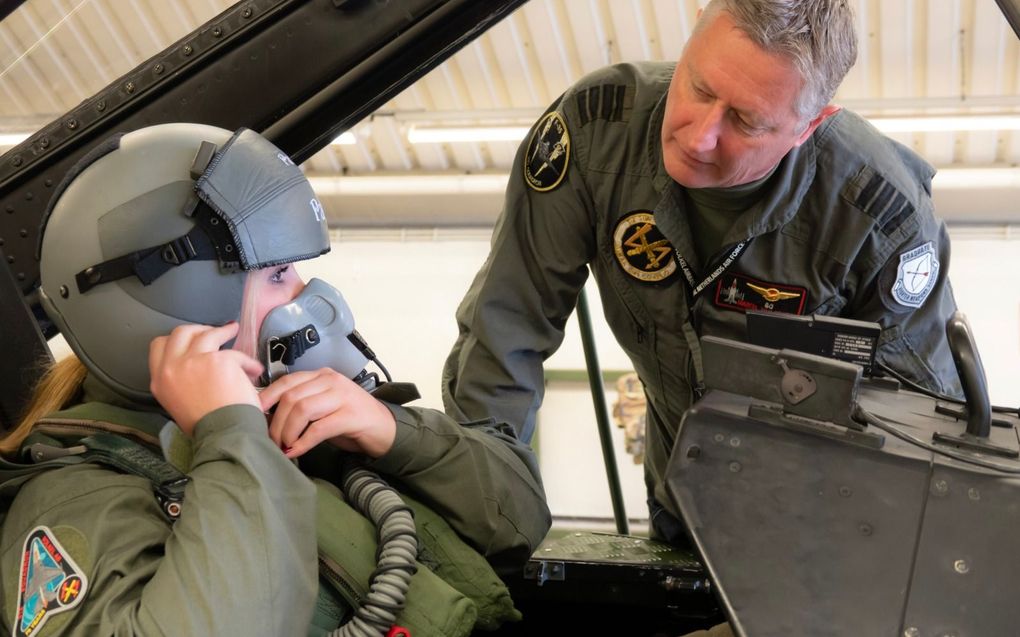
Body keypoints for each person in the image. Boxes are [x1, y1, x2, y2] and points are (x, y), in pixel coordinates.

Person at [442, 0, 962, 550]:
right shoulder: (597, 133)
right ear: (690, 43)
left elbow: (925, 431)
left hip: (820, 537)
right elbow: (503, 340)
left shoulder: (880, 219)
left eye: (745, 120)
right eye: (698, 88)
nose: (698, 137)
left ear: (810, 126)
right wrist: (486, 510)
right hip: (677, 511)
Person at [0, 123, 550, 636]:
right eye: (280, 274)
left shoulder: (294, 425)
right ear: (184, 303)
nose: (310, 297)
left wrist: (396, 434)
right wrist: (231, 437)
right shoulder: (72, 505)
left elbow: (520, 524)